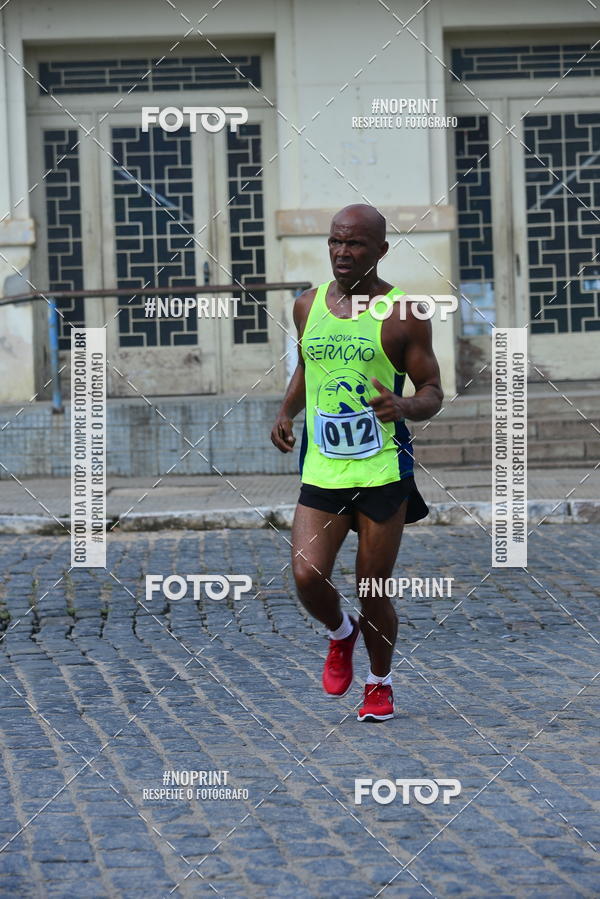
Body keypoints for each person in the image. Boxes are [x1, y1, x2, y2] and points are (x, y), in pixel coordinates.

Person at [271, 204, 443, 721]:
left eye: (356, 244)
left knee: (372, 587)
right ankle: (339, 634)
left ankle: (379, 681)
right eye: (335, 242)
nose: (342, 253)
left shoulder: (402, 315)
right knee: (306, 575)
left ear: (381, 250)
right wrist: (286, 410)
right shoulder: (307, 305)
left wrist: (405, 406)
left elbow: (432, 389)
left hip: (381, 470)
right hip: (323, 467)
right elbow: (307, 365)